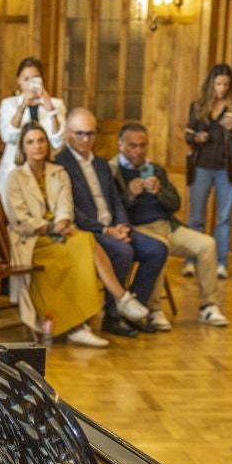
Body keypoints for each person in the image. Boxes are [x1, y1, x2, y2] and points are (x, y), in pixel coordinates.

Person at [1, 122, 121, 349]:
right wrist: (50, 228)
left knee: (83, 241)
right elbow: (20, 219)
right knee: (80, 245)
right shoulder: (15, 177)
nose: (37, 146)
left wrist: (62, 222)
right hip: (32, 239)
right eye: (30, 142)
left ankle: (81, 323)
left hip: (60, 231)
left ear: (47, 144)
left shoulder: (58, 172)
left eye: (41, 140)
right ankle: (98, 313)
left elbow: (66, 206)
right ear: (23, 147)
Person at [113, 123, 228, 329]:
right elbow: (113, 211)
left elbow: (175, 204)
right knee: (160, 247)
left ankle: (208, 306)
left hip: (168, 226)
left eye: (143, 145)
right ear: (120, 145)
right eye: (132, 146)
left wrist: (159, 192)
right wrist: (129, 194)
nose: (138, 151)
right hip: (139, 229)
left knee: (207, 244)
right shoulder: (113, 171)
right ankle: (154, 309)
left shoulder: (155, 169)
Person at [56, 108, 157, 339]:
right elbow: (72, 211)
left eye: (90, 133)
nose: (85, 139)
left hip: (114, 228)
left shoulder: (101, 163)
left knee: (157, 249)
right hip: (89, 231)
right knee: (123, 251)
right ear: (68, 133)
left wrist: (122, 226)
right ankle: (112, 316)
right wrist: (106, 230)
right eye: (80, 133)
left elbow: (116, 200)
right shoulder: (60, 164)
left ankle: (132, 311)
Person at [184, 62, 232, 274]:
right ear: (211, 83)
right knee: (196, 217)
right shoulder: (198, 105)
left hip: (226, 168)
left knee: (224, 218)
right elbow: (188, 135)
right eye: (219, 84)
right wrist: (197, 138)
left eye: (226, 84)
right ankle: (191, 261)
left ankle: (221, 263)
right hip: (201, 166)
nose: (222, 88)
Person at [0, 56, 63, 194]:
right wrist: (22, 107)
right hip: (14, 167)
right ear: (18, 80)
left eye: (35, 78)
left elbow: (58, 142)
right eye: (26, 79)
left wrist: (51, 110)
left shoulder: (56, 104)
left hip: (44, 169)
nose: (31, 84)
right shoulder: (9, 104)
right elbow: (8, 137)